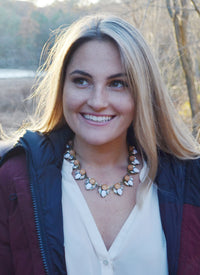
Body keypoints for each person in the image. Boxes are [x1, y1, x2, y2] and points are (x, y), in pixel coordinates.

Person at [0, 14, 200, 275]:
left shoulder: (190, 181)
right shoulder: (15, 179)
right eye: (81, 81)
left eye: (117, 84)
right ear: (62, 87)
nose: (97, 101)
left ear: (143, 91)